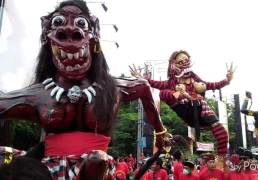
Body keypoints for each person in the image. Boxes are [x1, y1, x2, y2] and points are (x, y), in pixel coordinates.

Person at [0, 0, 168, 179]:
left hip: (98, 170)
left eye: (81, 23)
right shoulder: (38, 94)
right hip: (49, 173)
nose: (70, 31)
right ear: (46, 37)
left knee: (97, 161)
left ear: (94, 34)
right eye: (58, 23)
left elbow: (143, 87)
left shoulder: (110, 88)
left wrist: (160, 132)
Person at [131, 50, 235, 156]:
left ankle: (221, 161)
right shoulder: (171, 82)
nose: (184, 64)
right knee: (164, 93)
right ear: (173, 65)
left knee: (222, 133)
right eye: (180, 62)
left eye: (186, 61)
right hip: (184, 109)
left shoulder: (194, 78)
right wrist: (141, 78)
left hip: (202, 109)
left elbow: (209, 85)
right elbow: (153, 83)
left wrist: (226, 80)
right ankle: (182, 95)